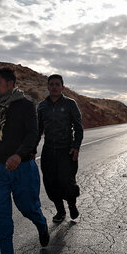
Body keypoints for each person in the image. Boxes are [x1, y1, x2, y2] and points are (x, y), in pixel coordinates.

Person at [0, 67, 50, 254]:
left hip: (23, 166)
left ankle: (41, 224)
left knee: (28, 207)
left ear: (10, 84)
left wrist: (18, 155)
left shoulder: (26, 105)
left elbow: (32, 134)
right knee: (1, 212)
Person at [37, 74, 84, 222]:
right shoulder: (42, 106)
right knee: (50, 183)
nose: (54, 87)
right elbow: (38, 130)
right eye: (51, 84)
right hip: (48, 151)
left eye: (57, 84)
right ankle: (60, 211)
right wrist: (31, 149)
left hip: (67, 150)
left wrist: (76, 147)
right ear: (48, 87)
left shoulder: (70, 104)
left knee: (67, 182)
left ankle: (71, 204)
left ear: (62, 87)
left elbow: (78, 127)